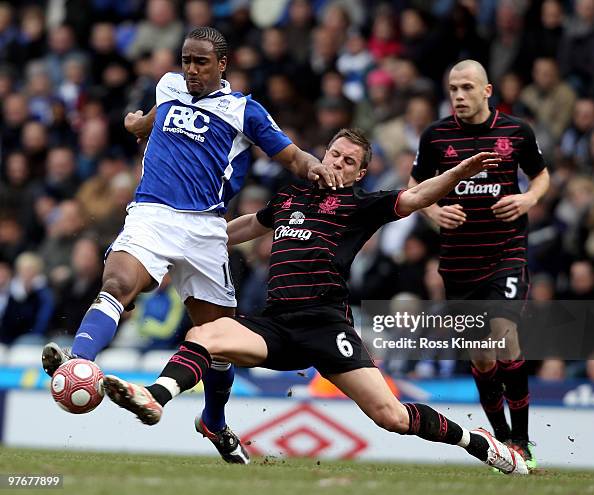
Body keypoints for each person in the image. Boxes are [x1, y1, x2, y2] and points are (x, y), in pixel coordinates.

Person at [102, 129, 527, 475]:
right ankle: (156, 396)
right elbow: (250, 224)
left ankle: (477, 442)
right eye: (334, 154)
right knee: (203, 334)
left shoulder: (360, 203)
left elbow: (417, 198)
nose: (337, 163)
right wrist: (185, 244)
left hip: (327, 327)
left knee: (391, 417)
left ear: (361, 173)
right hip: (278, 325)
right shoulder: (290, 196)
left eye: (348, 161)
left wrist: (459, 171)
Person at [41, 26, 342, 464]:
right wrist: (135, 124)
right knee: (118, 282)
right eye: (186, 60)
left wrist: (317, 169)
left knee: (217, 338)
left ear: (223, 64)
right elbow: (152, 121)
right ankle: (77, 362)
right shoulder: (168, 86)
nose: (191, 70)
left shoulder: (244, 110)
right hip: (151, 214)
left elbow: (292, 156)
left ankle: (214, 422)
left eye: (201, 62)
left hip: (204, 230)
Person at [408, 59, 550, 469]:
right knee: (482, 357)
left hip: (506, 250)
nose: (459, 96)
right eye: (453, 89)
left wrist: (528, 198)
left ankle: (522, 440)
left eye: (467, 88)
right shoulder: (436, 136)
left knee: (504, 335)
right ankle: (502, 442)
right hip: (458, 262)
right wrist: (434, 212)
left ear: (488, 91)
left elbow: (541, 176)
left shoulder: (516, 132)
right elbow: (416, 186)